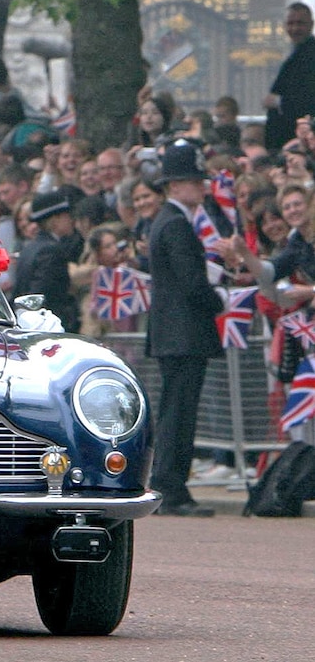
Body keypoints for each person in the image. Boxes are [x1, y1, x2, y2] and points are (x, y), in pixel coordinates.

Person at [146, 139, 226, 517]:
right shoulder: (176, 224)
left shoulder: (168, 221)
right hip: (183, 334)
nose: (201, 186)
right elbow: (192, 284)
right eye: (193, 180)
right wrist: (221, 299)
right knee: (180, 412)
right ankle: (171, 486)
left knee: (176, 410)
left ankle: (169, 482)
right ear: (175, 185)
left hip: (174, 334)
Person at [12, 190, 80, 333]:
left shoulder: (29, 248)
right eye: (66, 216)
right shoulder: (52, 251)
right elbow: (45, 296)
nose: (71, 220)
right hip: (47, 328)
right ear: (54, 219)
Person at [264, 2, 315, 152]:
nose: (295, 28)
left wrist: (279, 101)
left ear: (311, 24)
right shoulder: (295, 52)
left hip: (299, 139)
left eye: (300, 23)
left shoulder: (311, 54)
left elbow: (309, 95)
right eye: (290, 23)